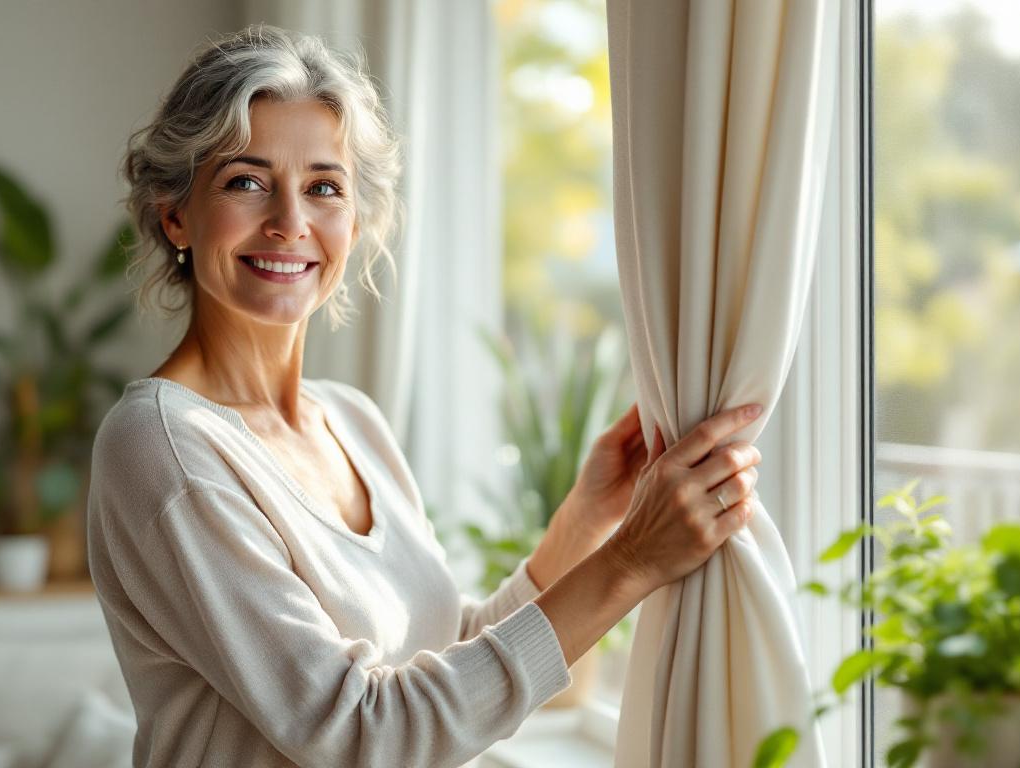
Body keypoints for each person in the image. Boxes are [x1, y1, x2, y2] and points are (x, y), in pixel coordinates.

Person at [88, 24, 763, 768]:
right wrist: (630, 562)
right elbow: (364, 733)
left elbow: (444, 661)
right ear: (175, 213)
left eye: (324, 187)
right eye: (246, 182)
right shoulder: (161, 446)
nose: (290, 223)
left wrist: (587, 522)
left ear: (355, 221)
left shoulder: (352, 420)